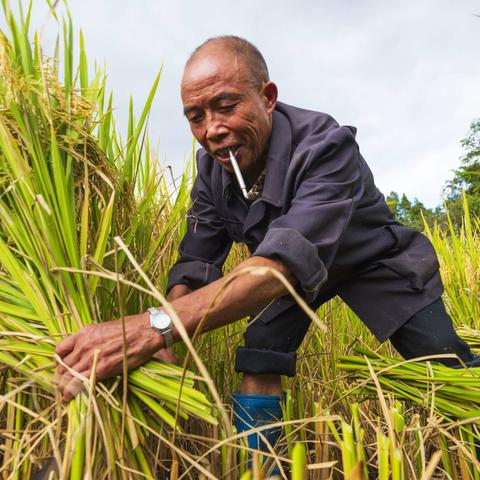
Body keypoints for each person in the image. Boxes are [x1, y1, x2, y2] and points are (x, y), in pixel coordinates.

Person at [54, 35, 478, 471]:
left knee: (441, 361)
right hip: (284, 277)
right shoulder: (212, 171)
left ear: (268, 97)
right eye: (196, 117)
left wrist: (153, 326)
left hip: (367, 259)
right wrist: (168, 337)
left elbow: (279, 266)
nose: (212, 130)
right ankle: (261, 466)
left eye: (225, 106)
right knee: (259, 355)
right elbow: (197, 261)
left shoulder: (326, 146)